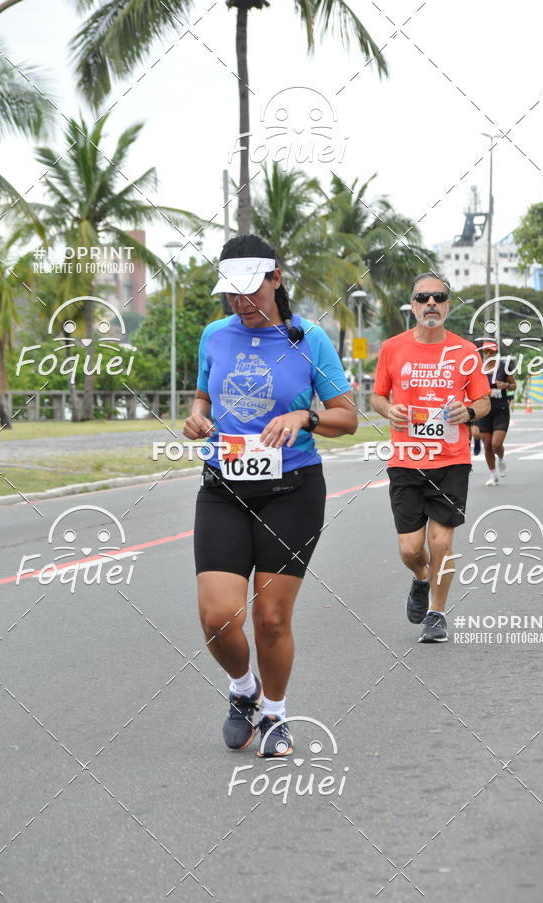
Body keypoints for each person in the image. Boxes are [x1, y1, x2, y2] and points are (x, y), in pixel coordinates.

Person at [183, 234, 356, 757]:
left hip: (292, 491)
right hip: (224, 488)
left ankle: (276, 716)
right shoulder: (214, 334)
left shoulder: (310, 340)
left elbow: (346, 418)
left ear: (275, 279)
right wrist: (197, 418)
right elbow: (203, 397)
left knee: (272, 618)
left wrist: (305, 415)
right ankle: (243, 689)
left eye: (250, 290)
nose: (241, 302)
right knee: (217, 617)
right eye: (231, 293)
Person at [370, 273, 491, 643]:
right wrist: (388, 410)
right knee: (410, 549)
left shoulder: (466, 352)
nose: (431, 304)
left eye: (439, 297)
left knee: (441, 542)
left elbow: (484, 401)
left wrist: (468, 413)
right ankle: (421, 578)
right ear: (413, 305)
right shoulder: (392, 348)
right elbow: (377, 396)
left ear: (449, 305)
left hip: (451, 459)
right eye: (423, 298)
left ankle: (437, 613)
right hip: (406, 459)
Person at [474, 341, 516, 486]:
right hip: (485, 411)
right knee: (487, 445)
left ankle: (502, 459)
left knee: (496, 444)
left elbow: (513, 386)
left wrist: (506, 386)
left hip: (501, 410)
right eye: (486, 352)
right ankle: (492, 474)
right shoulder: (478, 368)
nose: (488, 355)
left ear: (496, 353)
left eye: (491, 352)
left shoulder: (504, 367)